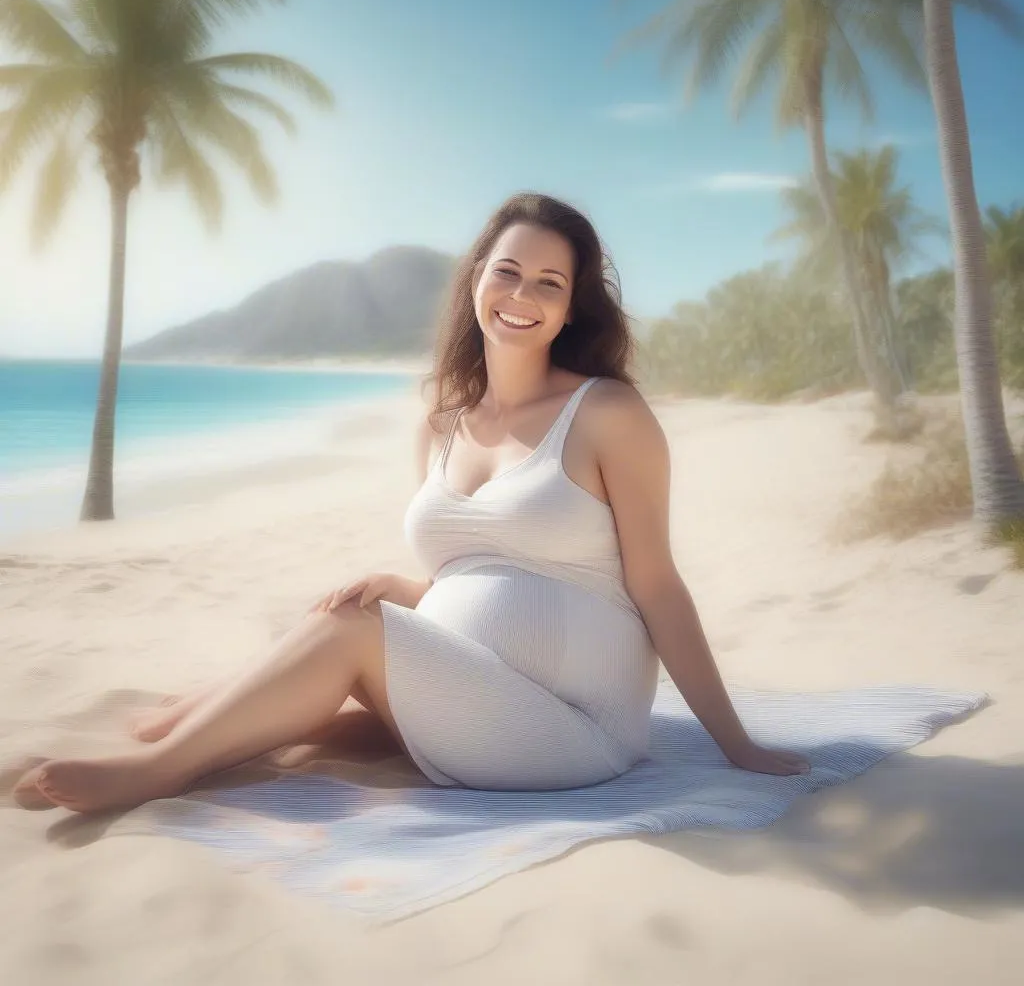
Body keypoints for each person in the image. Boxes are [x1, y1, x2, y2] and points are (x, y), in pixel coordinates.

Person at [14, 192, 808, 814]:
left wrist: (734, 743)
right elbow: (500, 568)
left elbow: (653, 585)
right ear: (474, 282)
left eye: (549, 282)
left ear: (571, 308)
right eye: (506, 271)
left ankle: (155, 768)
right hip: (482, 696)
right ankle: (186, 727)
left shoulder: (607, 415)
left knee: (345, 632)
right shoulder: (441, 425)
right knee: (319, 679)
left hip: (577, 729)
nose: (522, 294)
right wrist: (411, 589)